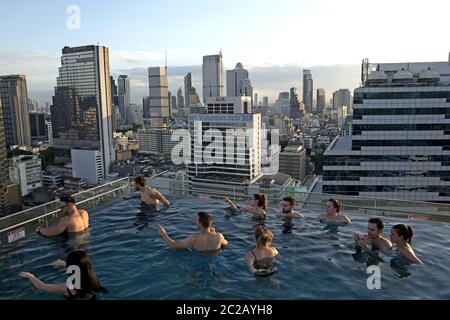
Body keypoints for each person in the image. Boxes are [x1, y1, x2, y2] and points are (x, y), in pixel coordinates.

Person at [19, 250, 107, 300]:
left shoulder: (67, 288)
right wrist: (62, 263)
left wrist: (29, 275)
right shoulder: (92, 278)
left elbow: (42, 286)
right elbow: (80, 269)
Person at [158, 212, 228, 255]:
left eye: (197, 220)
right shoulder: (219, 236)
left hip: (199, 262)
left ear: (200, 224)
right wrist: (214, 233)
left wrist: (163, 234)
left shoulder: (193, 239)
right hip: (215, 261)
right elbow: (226, 244)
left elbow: (174, 246)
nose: (195, 222)